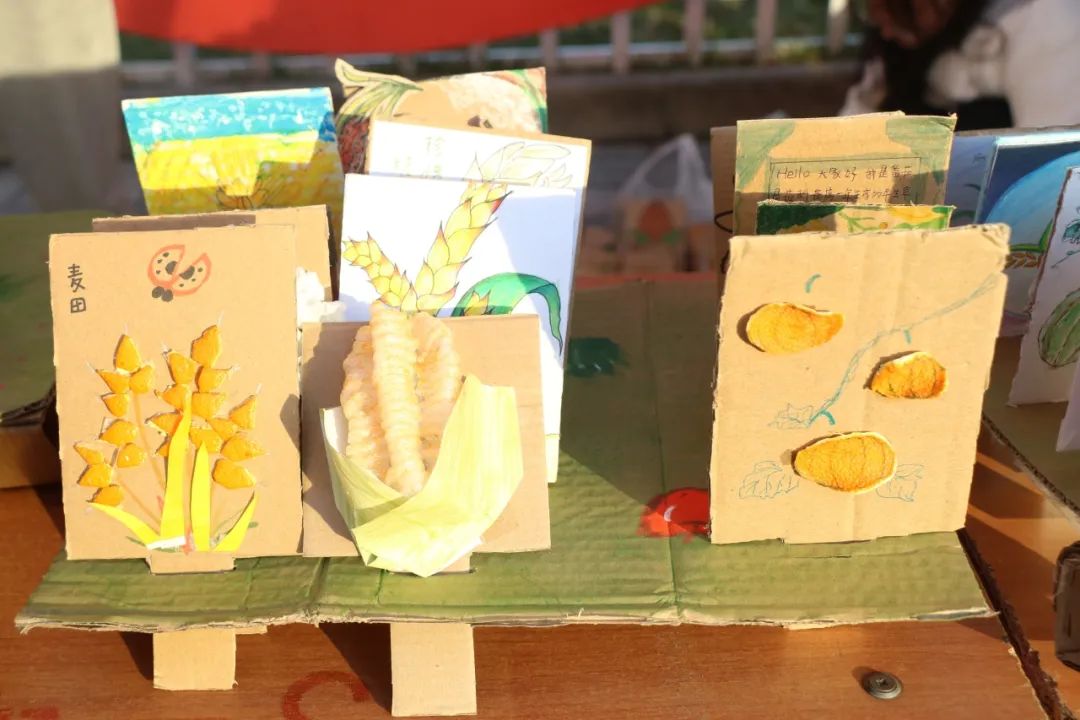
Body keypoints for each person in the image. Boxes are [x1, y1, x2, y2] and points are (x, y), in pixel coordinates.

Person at [841, 0, 1080, 130]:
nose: (881, 19)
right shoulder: (894, 49)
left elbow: (1049, 165)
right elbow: (852, 138)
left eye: (899, 7)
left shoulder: (1046, 19)